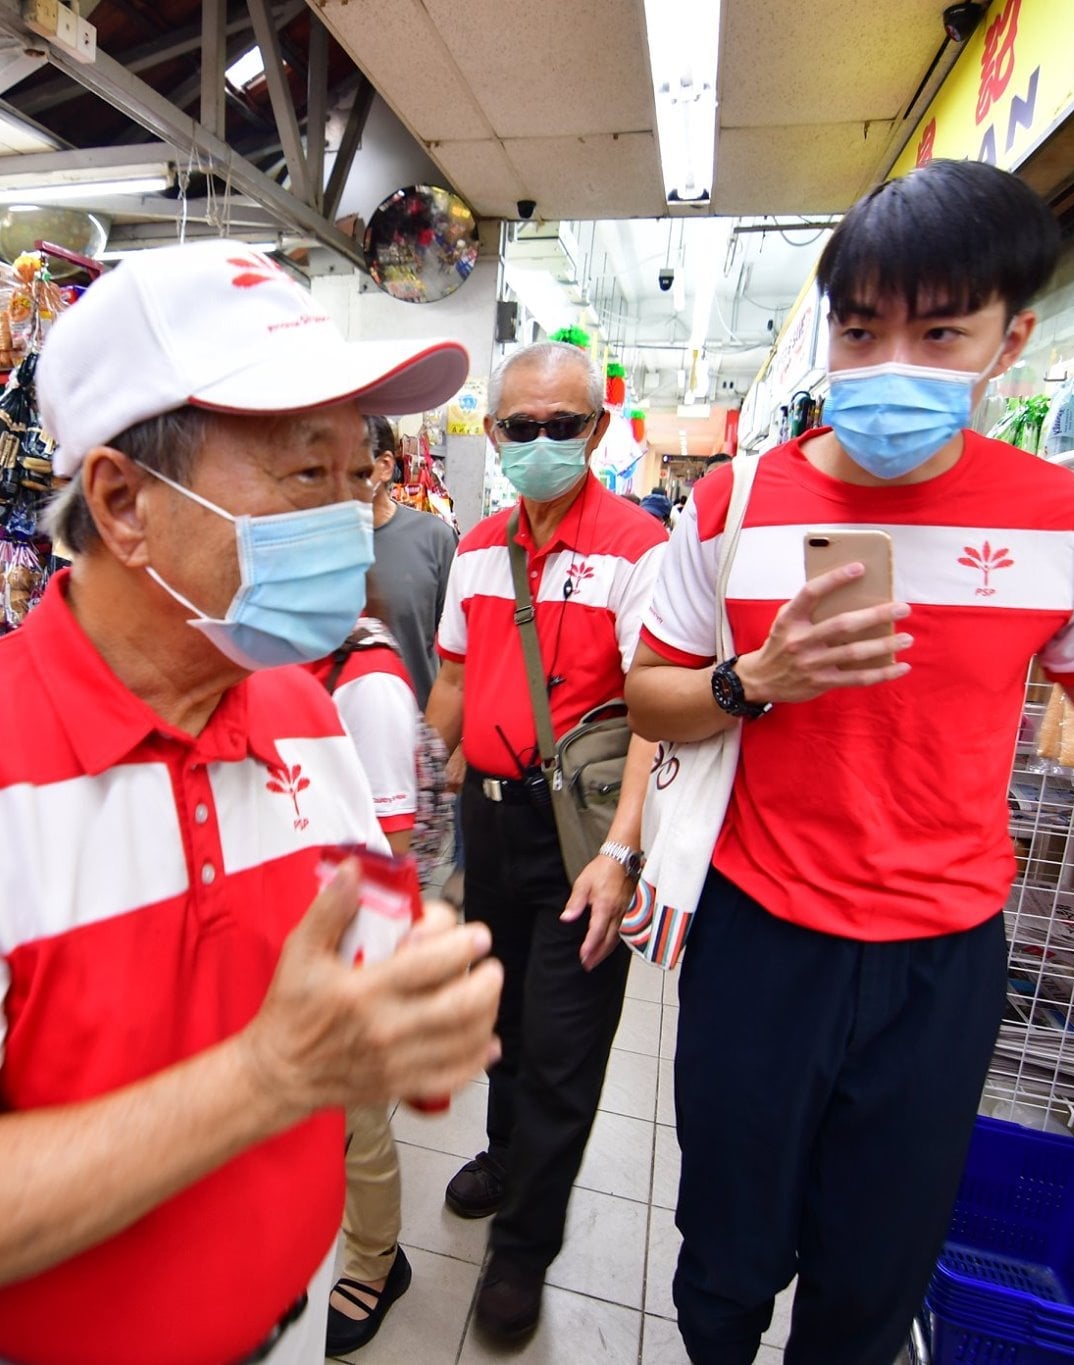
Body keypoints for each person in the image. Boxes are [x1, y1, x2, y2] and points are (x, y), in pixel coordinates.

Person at [625, 159, 1074, 1365]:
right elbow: (647, 697)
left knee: (872, 1277)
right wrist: (752, 680)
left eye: (937, 333)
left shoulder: (1059, 521)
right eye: (859, 332)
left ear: (1008, 340)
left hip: (942, 964)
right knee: (723, 1250)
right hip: (758, 944)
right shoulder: (734, 504)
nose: (888, 367)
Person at [0, 240, 502, 1365]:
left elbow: (358, 957)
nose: (352, 523)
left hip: (288, 1326)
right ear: (121, 502)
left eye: (358, 477)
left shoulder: (304, 712)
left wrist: (408, 1001)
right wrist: (265, 1076)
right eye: (308, 476)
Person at [425, 339, 668, 1341]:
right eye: (519, 426)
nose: (539, 442)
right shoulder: (477, 546)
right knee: (503, 1018)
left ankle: (524, 1250)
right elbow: (451, 678)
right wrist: (412, 792)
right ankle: (502, 1153)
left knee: (564, 1045)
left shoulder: (638, 550)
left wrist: (623, 852)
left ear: (596, 430)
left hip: (581, 832)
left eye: (560, 425)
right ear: (492, 433)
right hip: (488, 820)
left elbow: (655, 715)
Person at [304, 588, 423, 1356]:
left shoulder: (367, 677)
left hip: (350, 933)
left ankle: (376, 1259)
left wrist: (362, 973)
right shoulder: (279, 659)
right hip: (297, 927)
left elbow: (392, 844)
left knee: (356, 1111)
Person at [366, 415, 456, 708]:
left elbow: (458, 657)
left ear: (385, 466)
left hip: (414, 722)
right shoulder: (315, 545)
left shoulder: (434, 539)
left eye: (351, 469)